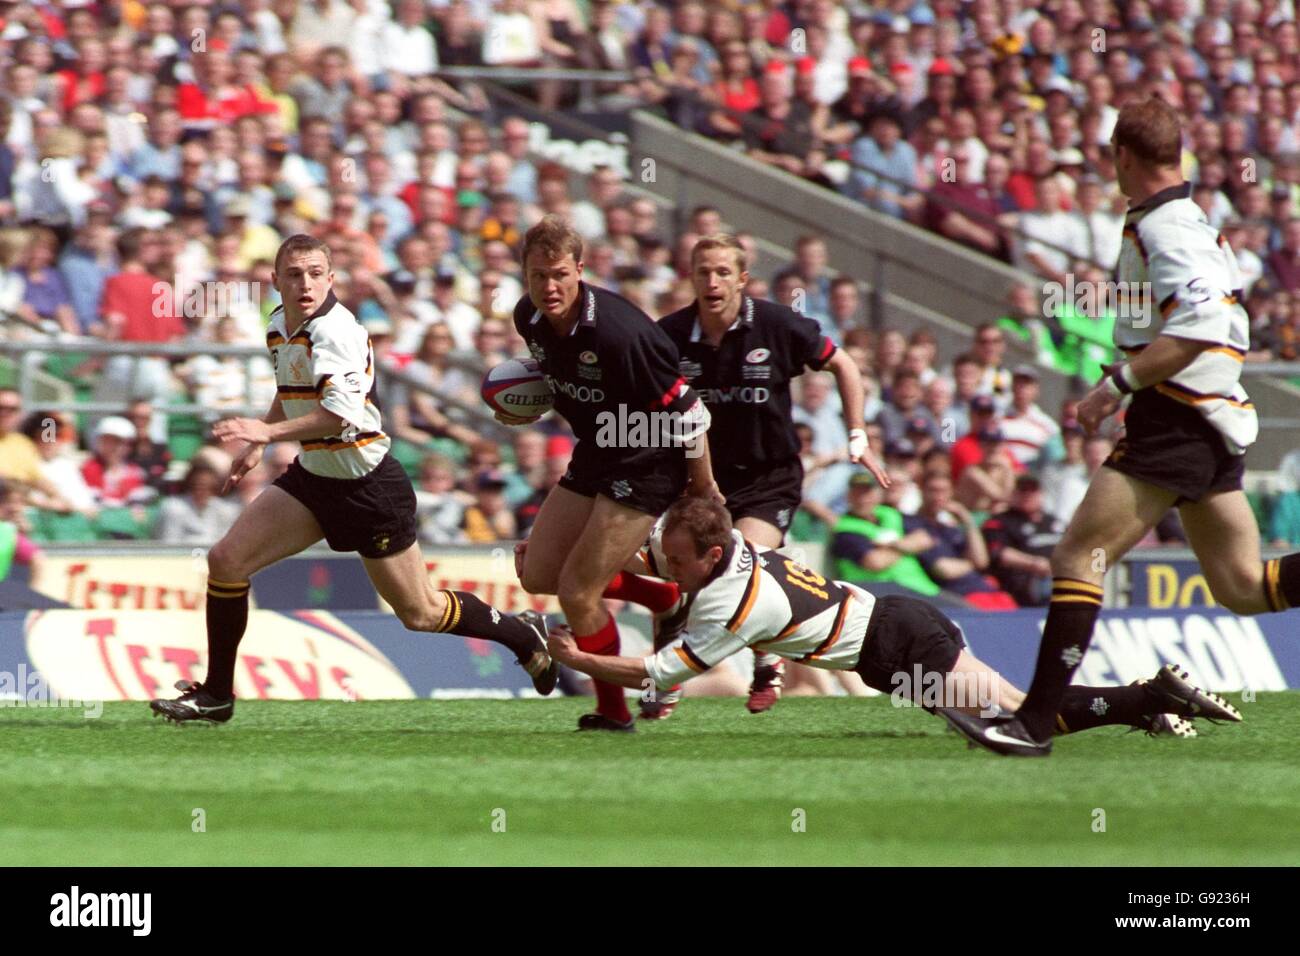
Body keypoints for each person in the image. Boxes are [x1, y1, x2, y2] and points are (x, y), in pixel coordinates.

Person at [949, 98, 1283, 756]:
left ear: (1122, 156)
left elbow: (1199, 326)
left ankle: (1032, 723)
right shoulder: (1185, 220)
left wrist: (1116, 387)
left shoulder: (1166, 228)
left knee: (1078, 557)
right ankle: (1038, 719)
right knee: (1244, 586)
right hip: (1208, 416)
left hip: (1176, 416)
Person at [150, 235, 557, 724]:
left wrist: (267, 430)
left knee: (421, 613)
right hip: (315, 480)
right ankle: (216, 695)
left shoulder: (337, 332)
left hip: (368, 487)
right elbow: (292, 388)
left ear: (331, 278)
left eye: (316, 272)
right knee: (226, 561)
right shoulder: (280, 323)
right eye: (294, 274)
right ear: (276, 280)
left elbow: (339, 417)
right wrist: (262, 439)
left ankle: (520, 633)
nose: (306, 283)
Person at [545, 496, 1238, 741]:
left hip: (896, 645)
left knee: (1016, 719)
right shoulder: (746, 554)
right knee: (1009, 715)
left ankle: (1150, 695)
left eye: (676, 556)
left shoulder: (729, 600)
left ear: (712, 553)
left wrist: (576, 659)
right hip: (893, 626)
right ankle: (1145, 707)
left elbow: (651, 671)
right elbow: (693, 585)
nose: (669, 565)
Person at [504, 216, 718, 733]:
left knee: (578, 592)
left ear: (580, 270)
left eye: (559, 274)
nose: (548, 287)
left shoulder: (620, 333)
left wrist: (703, 488)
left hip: (649, 457)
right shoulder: (527, 318)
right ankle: (661, 596)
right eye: (537, 276)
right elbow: (567, 382)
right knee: (536, 573)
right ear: (525, 277)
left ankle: (614, 713)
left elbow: (690, 412)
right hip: (600, 448)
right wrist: (522, 405)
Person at [656, 233, 885, 715]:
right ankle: (666, 677)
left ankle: (767, 666)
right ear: (691, 278)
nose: (712, 282)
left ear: (741, 279)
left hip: (769, 478)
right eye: (703, 272)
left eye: (722, 272)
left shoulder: (776, 325)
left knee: (747, 560)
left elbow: (842, 363)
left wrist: (857, 433)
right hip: (699, 482)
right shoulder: (669, 336)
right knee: (675, 570)